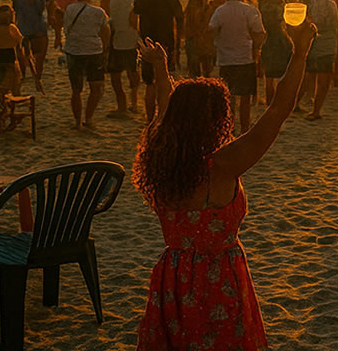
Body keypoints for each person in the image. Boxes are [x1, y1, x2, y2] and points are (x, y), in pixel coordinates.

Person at [133, 21, 314, 350]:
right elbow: (278, 110)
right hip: (219, 279)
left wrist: (160, 68)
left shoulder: (162, 157)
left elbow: (164, 106)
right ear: (218, 119)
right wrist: (299, 54)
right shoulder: (224, 165)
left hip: (171, 278)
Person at [209, 0, 266, 134]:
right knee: (245, 97)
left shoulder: (220, 10)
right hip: (245, 57)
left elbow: (211, 29)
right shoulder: (249, 10)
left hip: (226, 58)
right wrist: (256, 50)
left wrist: (218, 42)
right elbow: (259, 33)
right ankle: (245, 128)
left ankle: (230, 127)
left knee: (229, 97)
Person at [134, 0, 184, 123]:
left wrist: (140, 36)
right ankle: (163, 115)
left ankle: (150, 118)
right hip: (166, 44)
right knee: (164, 80)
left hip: (148, 45)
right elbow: (180, 20)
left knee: (149, 83)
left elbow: (133, 18)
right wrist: (178, 42)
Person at [62, 0, 110, 128]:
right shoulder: (98, 11)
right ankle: (88, 118)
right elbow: (105, 32)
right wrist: (105, 49)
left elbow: (66, 29)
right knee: (96, 87)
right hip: (94, 51)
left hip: (74, 51)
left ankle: (77, 122)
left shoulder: (70, 9)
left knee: (76, 90)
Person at [303, 0, 338, 120]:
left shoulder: (310, 4)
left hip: (313, 42)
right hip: (327, 42)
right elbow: (334, 23)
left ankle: (297, 104)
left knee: (308, 76)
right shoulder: (331, 4)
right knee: (323, 79)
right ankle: (316, 109)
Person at [104, 0, 139, 117]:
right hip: (129, 40)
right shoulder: (132, 0)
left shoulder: (111, 2)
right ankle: (133, 103)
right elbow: (135, 21)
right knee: (131, 73)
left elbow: (106, 21)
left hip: (119, 41)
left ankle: (124, 106)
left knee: (117, 76)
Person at [257, 0, 295, 106]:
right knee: (283, 74)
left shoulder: (264, 4)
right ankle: (280, 102)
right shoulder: (281, 4)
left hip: (268, 38)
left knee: (269, 76)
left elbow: (261, 4)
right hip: (279, 37)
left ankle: (269, 103)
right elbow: (286, 19)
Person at [11, 0, 49, 91]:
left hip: (23, 27)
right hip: (38, 26)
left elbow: (14, 8)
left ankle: (23, 75)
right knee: (40, 55)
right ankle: (38, 78)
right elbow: (50, 1)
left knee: (22, 53)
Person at [184, 0, 215, 77]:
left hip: (195, 38)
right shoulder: (209, 8)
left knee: (195, 67)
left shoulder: (193, 5)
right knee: (205, 67)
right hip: (203, 39)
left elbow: (189, 21)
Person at [0, 5, 29, 97]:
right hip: (9, 60)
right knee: (14, 88)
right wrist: (23, 72)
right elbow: (20, 52)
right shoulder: (12, 28)